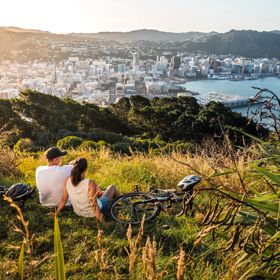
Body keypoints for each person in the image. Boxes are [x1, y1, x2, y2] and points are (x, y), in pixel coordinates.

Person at [56, 157, 119, 222]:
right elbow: (93, 204)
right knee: (112, 187)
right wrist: (101, 219)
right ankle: (121, 204)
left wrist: (56, 213)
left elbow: (64, 199)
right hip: (92, 212)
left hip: (78, 212)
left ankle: (115, 202)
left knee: (101, 193)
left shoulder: (67, 181)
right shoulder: (90, 183)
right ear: (85, 169)